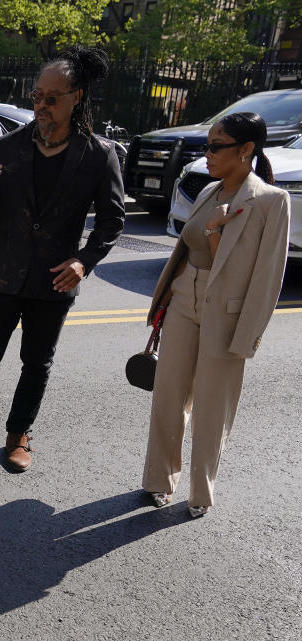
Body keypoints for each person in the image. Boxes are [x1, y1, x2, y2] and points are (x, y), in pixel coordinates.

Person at [0, 46, 125, 472]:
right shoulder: (3, 149)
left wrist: (84, 261)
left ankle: (19, 433)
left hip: (55, 280)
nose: (41, 104)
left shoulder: (98, 154)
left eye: (52, 98)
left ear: (76, 97)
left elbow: (112, 221)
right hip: (1, 276)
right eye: (37, 96)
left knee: (36, 364)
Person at [142, 112, 290, 518]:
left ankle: (200, 493)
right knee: (168, 396)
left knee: (211, 407)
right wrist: (165, 302)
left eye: (215, 146)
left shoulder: (270, 201)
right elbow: (188, 248)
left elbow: (267, 277)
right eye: (206, 145)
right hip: (184, 300)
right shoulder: (209, 189)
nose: (206, 153)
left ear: (246, 150)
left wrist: (247, 337)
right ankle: (158, 481)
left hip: (226, 312)